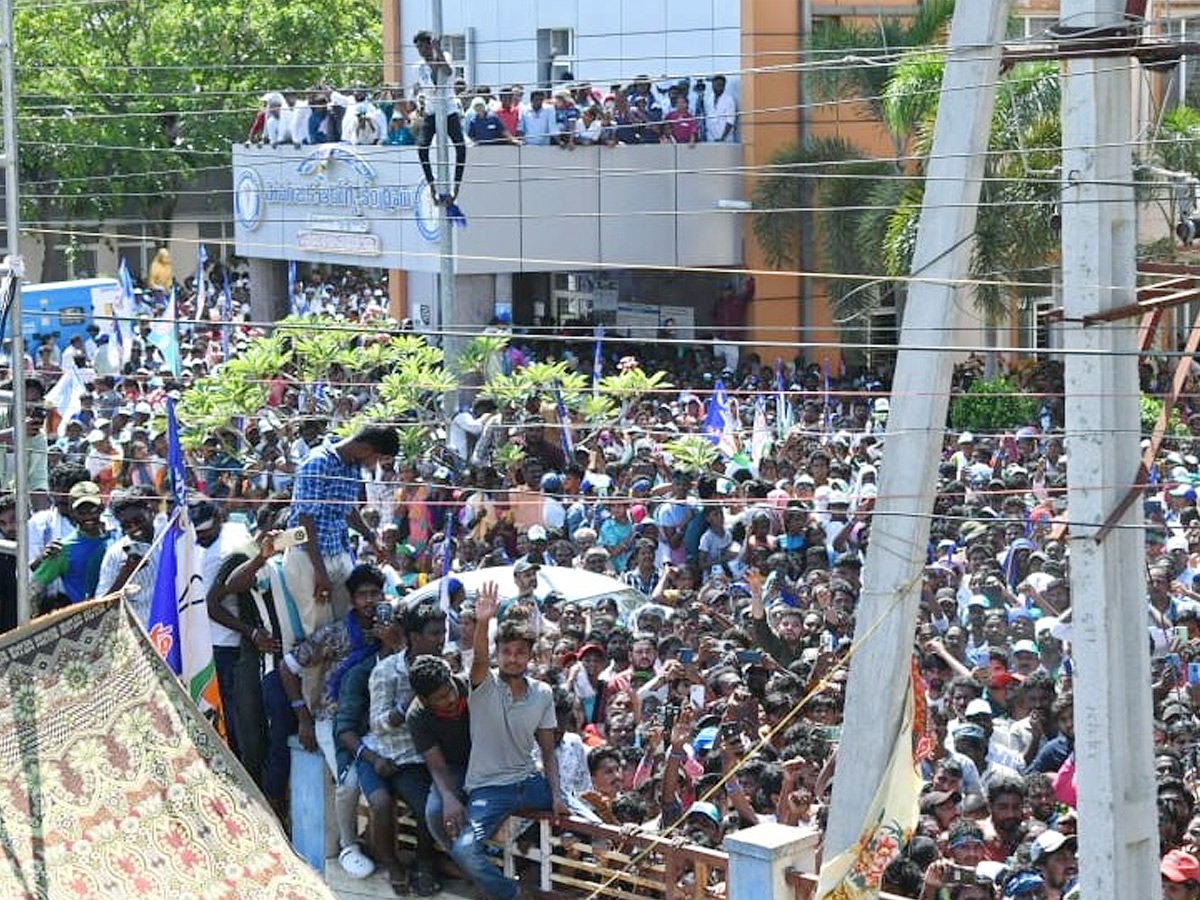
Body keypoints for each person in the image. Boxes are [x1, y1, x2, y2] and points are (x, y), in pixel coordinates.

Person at [450, 581, 567, 900]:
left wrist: (556, 794)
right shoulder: (483, 683)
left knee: (579, 820)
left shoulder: (542, 693)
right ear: (497, 654)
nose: (513, 659)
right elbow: (477, 662)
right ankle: (514, 894)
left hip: (530, 783)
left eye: (520, 653)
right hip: (488, 788)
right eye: (506, 652)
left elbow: (548, 750)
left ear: (529, 655)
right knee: (464, 850)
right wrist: (484, 620)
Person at [279, 564, 384, 880]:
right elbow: (287, 668)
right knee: (348, 782)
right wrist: (303, 718)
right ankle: (348, 847)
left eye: (375, 594)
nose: (369, 601)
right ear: (352, 600)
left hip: (375, 720)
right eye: (363, 595)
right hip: (332, 719)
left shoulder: (392, 631)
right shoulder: (336, 634)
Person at [362, 595, 446, 895]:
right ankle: (394, 864)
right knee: (398, 806)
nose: (441, 640)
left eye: (443, 632)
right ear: (413, 637)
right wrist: (405, 706)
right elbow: (377, 725)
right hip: (390, 755)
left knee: (431, 807)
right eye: (434, 633)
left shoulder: (443, 669)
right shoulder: (386, 671)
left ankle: (425, 863)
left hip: (424, 756)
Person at [283, 423, 398, 636]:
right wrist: (320, 572)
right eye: (378, 460)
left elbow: (348, 509)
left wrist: (372, 538)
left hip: (338, 552)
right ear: (366, 449)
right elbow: (305, 521)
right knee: (320, 630)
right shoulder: (318, 463)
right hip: (307, 557)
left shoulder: (352, 466)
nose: (376, 467)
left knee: (348, 622)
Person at [413, 30, 467, 205]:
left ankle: (456, 187)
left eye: (423, 45)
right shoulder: (419, 67)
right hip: (431, 111)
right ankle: (432, 186)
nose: (421, 50)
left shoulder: (445, 56)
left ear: (430, 44)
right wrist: (434, 62)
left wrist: (438, 54)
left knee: (461, 147)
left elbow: (448, 72)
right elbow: (433, 85)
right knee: (422, 149)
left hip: (449, 110)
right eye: (418, 47)